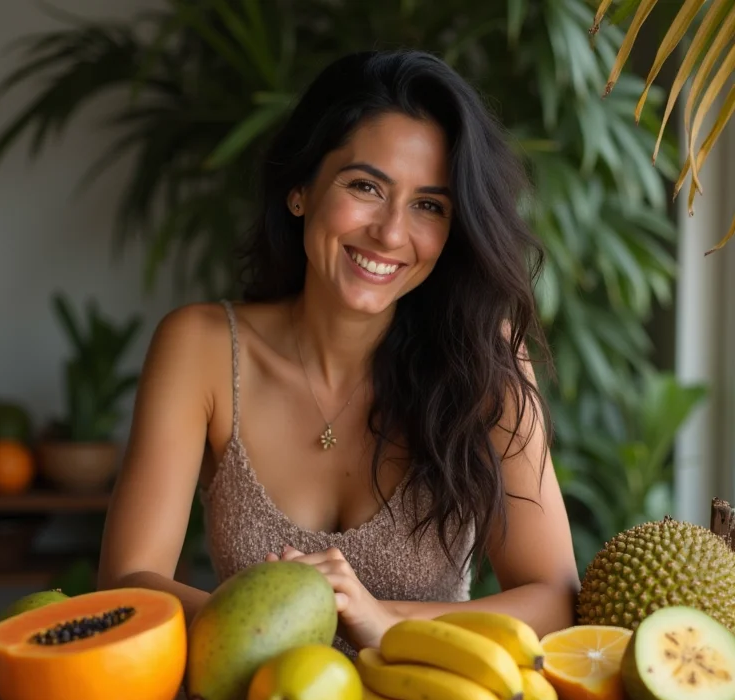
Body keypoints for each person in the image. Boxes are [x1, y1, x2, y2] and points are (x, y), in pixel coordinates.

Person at [97, 49, 580, 655]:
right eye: (366, 187)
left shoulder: (486, 362)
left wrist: (384, 622)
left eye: (429, 205)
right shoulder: (202, 349)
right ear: (300, 189)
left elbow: (555, 598)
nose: (390, 233)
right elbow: (125, 586)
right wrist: (297, 619)